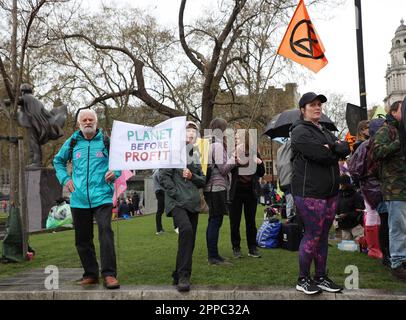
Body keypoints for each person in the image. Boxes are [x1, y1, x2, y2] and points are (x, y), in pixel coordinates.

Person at [53, 108, 121, 289]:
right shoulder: (73, 142)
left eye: (91, 119)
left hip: (102, 197)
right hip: (79, 199)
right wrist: (65, 179)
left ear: (96, 123)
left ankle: (109, 275)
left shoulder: (106, 142)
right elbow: (58, 161)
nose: (88, 122)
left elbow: (120, 162)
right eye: (85, 120)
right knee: (82, 239)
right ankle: (91, 274)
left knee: (105, 232)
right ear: (79, 124)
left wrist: (116, 172)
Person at [291, 92, 350, 295]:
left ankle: (321, 276)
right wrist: (334, 149)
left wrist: (332, 146)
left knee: (324, 236)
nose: (317, 108)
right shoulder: (299, 131)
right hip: (310, 193)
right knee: (313, 234)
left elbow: (345, 148)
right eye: (312, 105)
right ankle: (303, 279)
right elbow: (320, 154)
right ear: (303, 110)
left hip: (330, 192)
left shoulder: (324, 130)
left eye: (319, 105)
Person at [159, 121, 206, 292]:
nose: (191, 133)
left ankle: (177, 274)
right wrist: (177, 194)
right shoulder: (172, 152)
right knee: (185, 230)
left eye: (194, 131)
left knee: (189, 240)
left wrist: (192, 175)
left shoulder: (195, 154)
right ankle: (184, 276)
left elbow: (203, 180)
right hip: (177, 202)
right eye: (188, 130)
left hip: (193, 203)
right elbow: (163, 177)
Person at [373, 99, 406, 280]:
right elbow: (376, 152)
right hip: (395, 188)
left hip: (403, 186)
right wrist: (398, 143)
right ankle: (397, 263)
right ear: (394, 112)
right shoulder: (387, 130)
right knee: (398, 226)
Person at [204, 118, 236, 265]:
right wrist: (233, 159)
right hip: (216, 188)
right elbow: (223, 169)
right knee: (215, 221)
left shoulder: (209, 143)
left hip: (211, 188)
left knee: (213, 220)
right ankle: (213, 256)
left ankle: (213, 254)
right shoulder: (216, 145)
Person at [229, 129, 265, 258]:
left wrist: (259, 162)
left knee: (251, 222)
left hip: (251, 192)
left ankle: (252, 248)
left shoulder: (254, 153)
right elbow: (226, 170)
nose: (236, 139)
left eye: (238, 138)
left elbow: (261, 172)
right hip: (235, 192)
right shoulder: (232, 153)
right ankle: (236, 247)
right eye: (235, 138)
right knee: (235, 222)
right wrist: (233, 160)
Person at [18, 83, 66, 167]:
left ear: (22, 91)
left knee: (33, 142)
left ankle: (36, 162)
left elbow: (17, 101)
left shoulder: (26, 97)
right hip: (39, 123)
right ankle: (35, 161)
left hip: (33, 123)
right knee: (34, 142)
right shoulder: (36, 100)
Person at [336, 175, 365, 241]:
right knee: (346, 249)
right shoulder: (339, 195)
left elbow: (360, 211)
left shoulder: (356, 195)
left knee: (359, 245)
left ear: (347, 184)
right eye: (340, 184)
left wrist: (347, 215)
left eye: (342, 184)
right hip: (344, 226)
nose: (341, 186)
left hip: (356, 226)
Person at [153, 169, 165, 235]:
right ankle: (159, 229)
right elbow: (162, 182)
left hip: (158, 192)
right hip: (160, 192)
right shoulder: (158, 171)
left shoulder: (155, 172)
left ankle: (159, 228)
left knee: (160, 211)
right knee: (160, 211)